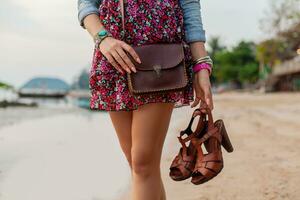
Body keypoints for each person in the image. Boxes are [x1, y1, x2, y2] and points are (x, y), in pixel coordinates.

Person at [77, 0, 213, 199]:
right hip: (114, 57)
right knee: (139, 165)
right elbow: (86, 4)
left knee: (142, 163)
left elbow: (190, 6)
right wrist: (102, 38)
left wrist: (201, 64)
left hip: (160, 58)